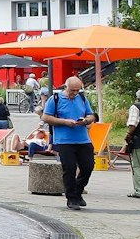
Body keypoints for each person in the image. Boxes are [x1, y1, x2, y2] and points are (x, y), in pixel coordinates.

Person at [42, 75, 98, 209]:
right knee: (70, 168)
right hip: (64, 140)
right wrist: (65, 122)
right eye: (72, 90)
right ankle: (71, 198)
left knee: (88, 166)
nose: (75, 93)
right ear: (66, 87)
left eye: (77, 90)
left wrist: (85, 120)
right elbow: (45, 117)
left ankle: (78, 191)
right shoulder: (55, 99)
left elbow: (91, 115)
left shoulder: (83, 98)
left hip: (83, 139)